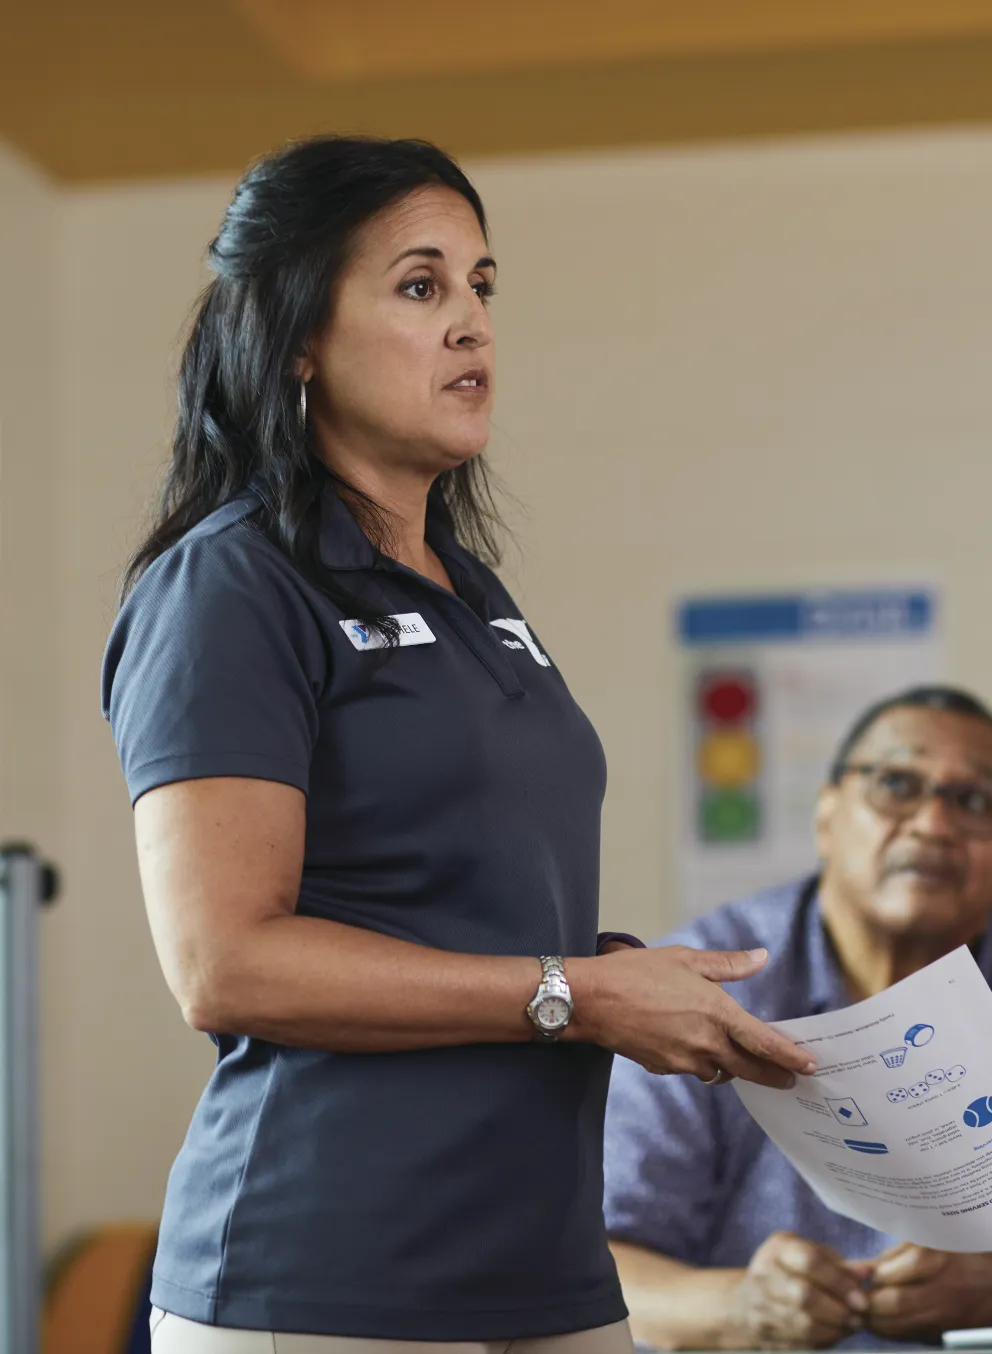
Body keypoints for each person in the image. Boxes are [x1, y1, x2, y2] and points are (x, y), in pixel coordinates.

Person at [101, 136, 813, 1354]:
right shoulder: (232, 585)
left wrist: (626, 981)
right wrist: (576, 994)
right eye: (421, 287)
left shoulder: (472, 593)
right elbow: (225, 963)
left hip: (539, 1263)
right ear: (298, 340)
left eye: (483, 286)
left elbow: (458, 914)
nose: (473, 324)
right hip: (329, 1272)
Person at [604, 685, 992, 1352]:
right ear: (827, 813)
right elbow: (600, 1268)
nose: (933, 825)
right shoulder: (705, 987)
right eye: (897, 783)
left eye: (975, 801)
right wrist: (740, 1308)